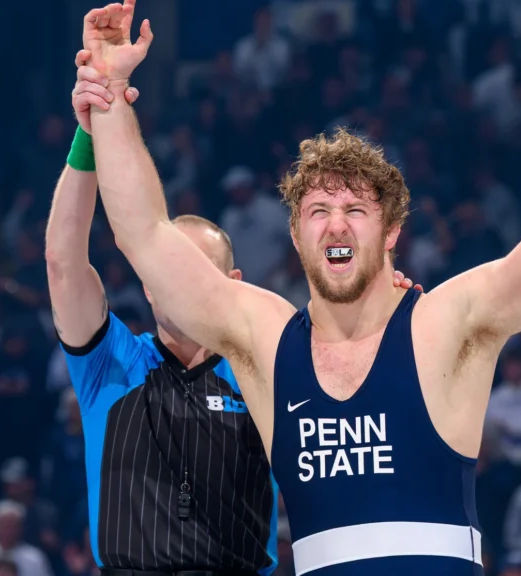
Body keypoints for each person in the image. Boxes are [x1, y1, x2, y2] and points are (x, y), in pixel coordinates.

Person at [83, 1, 521, 572]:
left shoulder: (446, 325)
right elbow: (146, 237)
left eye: (355, 210)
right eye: (318, 211)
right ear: (295, 235)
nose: (336, 224)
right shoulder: (264, 341)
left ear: (392, 231)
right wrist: (109, 91)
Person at [54, 54, 421, 575]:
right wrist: (89, 139)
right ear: (148, 286)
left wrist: (381, 299)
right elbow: (63, 262)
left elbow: (349, 364)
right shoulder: (108, 360)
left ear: (233, 286)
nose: (180, 287)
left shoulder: (267, 366)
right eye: (168, 273)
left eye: (196, 274)